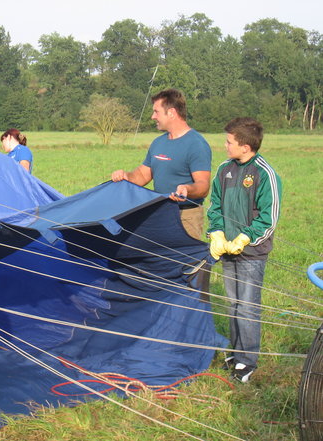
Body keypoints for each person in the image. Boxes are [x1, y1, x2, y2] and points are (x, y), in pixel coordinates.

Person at [207, 117, 282, 383]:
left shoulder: (264, 173)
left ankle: (248, 361)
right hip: (227, 250)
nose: (225, 145)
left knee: (248, 307)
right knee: (233, 304)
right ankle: (235, 353)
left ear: (245, 146)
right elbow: (215, 204)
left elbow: (268, 218)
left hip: (251, 253)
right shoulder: (224, 170)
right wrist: (216, 231)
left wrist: (244, 238)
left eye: (229, 141)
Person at [111, 89, 212, 240]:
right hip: (160, 214)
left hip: (186, 216)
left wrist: (187, 189)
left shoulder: (196, 144)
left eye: (156, 112)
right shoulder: (158, 143)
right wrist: (126, 176)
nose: (153, 117)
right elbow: (143, 175)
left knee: (186, 262)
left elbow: (203, 186)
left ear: (171, 112)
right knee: (161, 261)